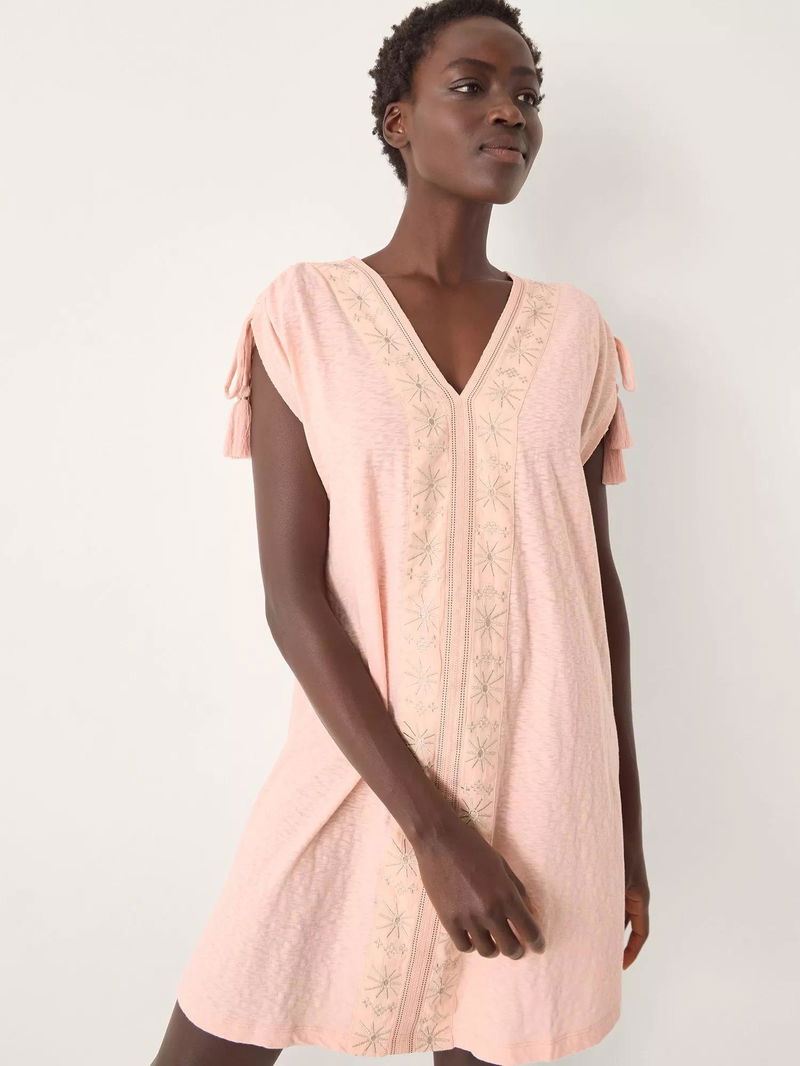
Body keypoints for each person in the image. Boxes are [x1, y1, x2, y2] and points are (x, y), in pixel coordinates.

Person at [151, 2, 649, 1064]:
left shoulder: (572, 332)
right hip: (357, 778)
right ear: (397, 121)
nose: (508, 112)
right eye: (471, 86)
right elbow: (294, 597)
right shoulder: (306, 315)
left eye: (526, 96)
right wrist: (432, 830)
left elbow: (595, 589)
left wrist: (626, 830)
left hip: (544, 788)